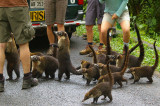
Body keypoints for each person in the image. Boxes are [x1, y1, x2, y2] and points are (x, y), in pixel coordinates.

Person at [0, 0, 38, 92]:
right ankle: (27, 79)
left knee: (1, 45)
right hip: (17, 5)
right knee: (23, 44)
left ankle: (0, 81)